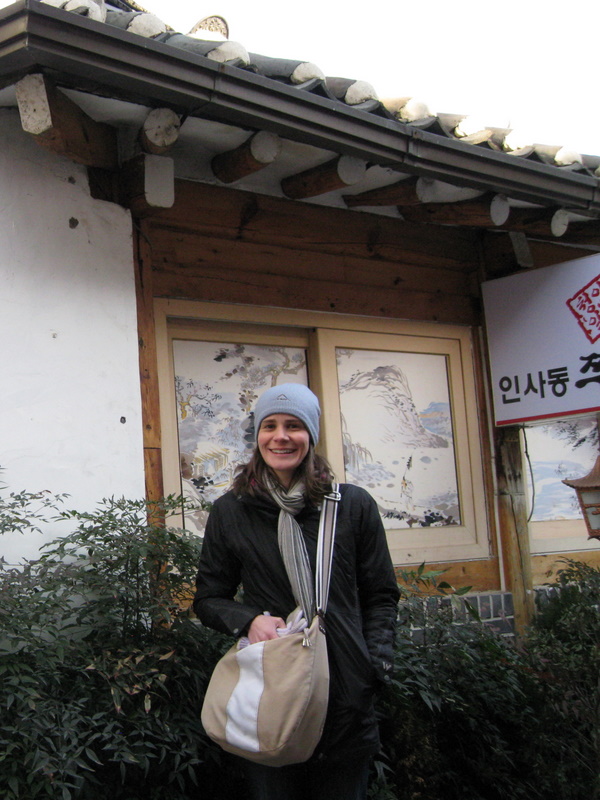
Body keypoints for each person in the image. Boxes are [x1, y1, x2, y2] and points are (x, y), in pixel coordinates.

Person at [194, 383, 400, 800]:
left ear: (311, 434)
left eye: (294, 425)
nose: (281, 436)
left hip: (345, 697)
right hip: (272, 694)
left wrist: (373, 667)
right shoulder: (232, 511)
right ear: (257, 435)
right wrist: (249, 620)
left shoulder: (351, 506)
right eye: (270, 425)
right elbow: (208, 599)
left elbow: (380, 595)